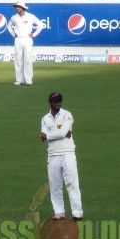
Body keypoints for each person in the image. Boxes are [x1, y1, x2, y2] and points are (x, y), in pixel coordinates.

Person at [40, 92, 83, 221]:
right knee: (55, 184)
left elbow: (59, 133)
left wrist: (49, 135)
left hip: (68, 153)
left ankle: (77, 212)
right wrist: (59, 134)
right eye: (55, 101)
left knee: (71, 183)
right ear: (50, 103)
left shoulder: (67, 115)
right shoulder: (45, 118)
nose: (58, 103)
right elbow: (43, 135)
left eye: (59, 101)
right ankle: (59, 211)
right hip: (52, 155)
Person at [7, 0, 43, 86]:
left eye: (18, 6)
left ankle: (28, 80)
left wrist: (33, 34)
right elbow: (9, 26)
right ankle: (19, 80)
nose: (17, 8)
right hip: (18, 40)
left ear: (23, 8)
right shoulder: (14, 17)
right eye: (16, 7)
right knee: (18, 60)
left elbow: (40, 25)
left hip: (27, 40)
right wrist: (13, 34)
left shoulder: (30, 16)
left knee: (28, 59)